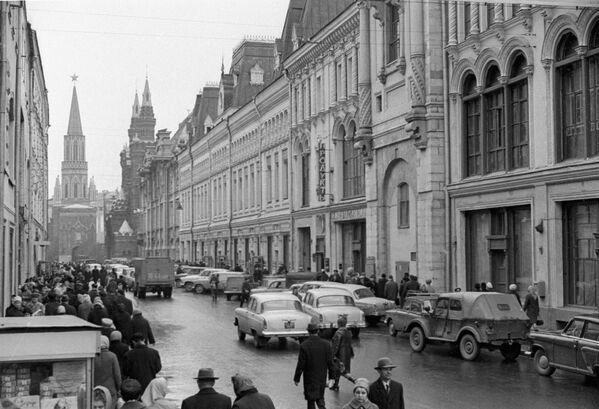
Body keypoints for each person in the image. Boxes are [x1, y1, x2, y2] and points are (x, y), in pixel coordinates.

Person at [293, 323, 335, 409]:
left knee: (310, 401)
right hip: (321, 377)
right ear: (318, 331)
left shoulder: (304, 345)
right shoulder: (326, 344)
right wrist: (332, 377)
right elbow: (330, 363)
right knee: (320, 398)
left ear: (308, 332)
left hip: (309, 378)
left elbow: (301, 364)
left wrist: (297, 378)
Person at [94, 336, 121, 409]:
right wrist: (119, 388)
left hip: (96, 390)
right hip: (110, 390)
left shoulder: (92, 356)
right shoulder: (112, 356)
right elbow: (117, 374)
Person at [330, 317, 354, 391]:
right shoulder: (348, 333)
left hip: (340, 355)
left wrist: (333, 355)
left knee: (338, 370)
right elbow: (350, 345)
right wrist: (351, 353)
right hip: (346, 355)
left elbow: (336, 345)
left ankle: (354, 381)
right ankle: (336, 385)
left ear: (338, 324)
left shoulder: (338, 333)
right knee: (341, 371)